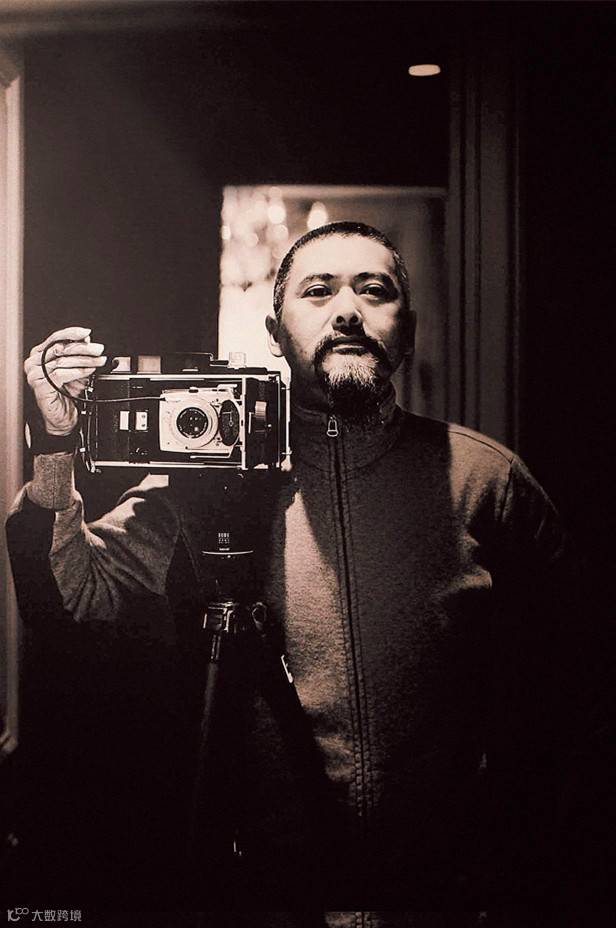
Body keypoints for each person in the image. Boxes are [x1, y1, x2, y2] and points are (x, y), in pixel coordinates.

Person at [7, 222, 583, 920]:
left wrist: (524, 871)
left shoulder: (485, 482)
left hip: (451, 896)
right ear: (275, 333)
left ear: (407, 331)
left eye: (375, 291)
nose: (348, 311)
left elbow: (571, 683)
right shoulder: (209, 486)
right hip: (269, 896)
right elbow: (70, 593)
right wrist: (56, 443)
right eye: (318, 290)